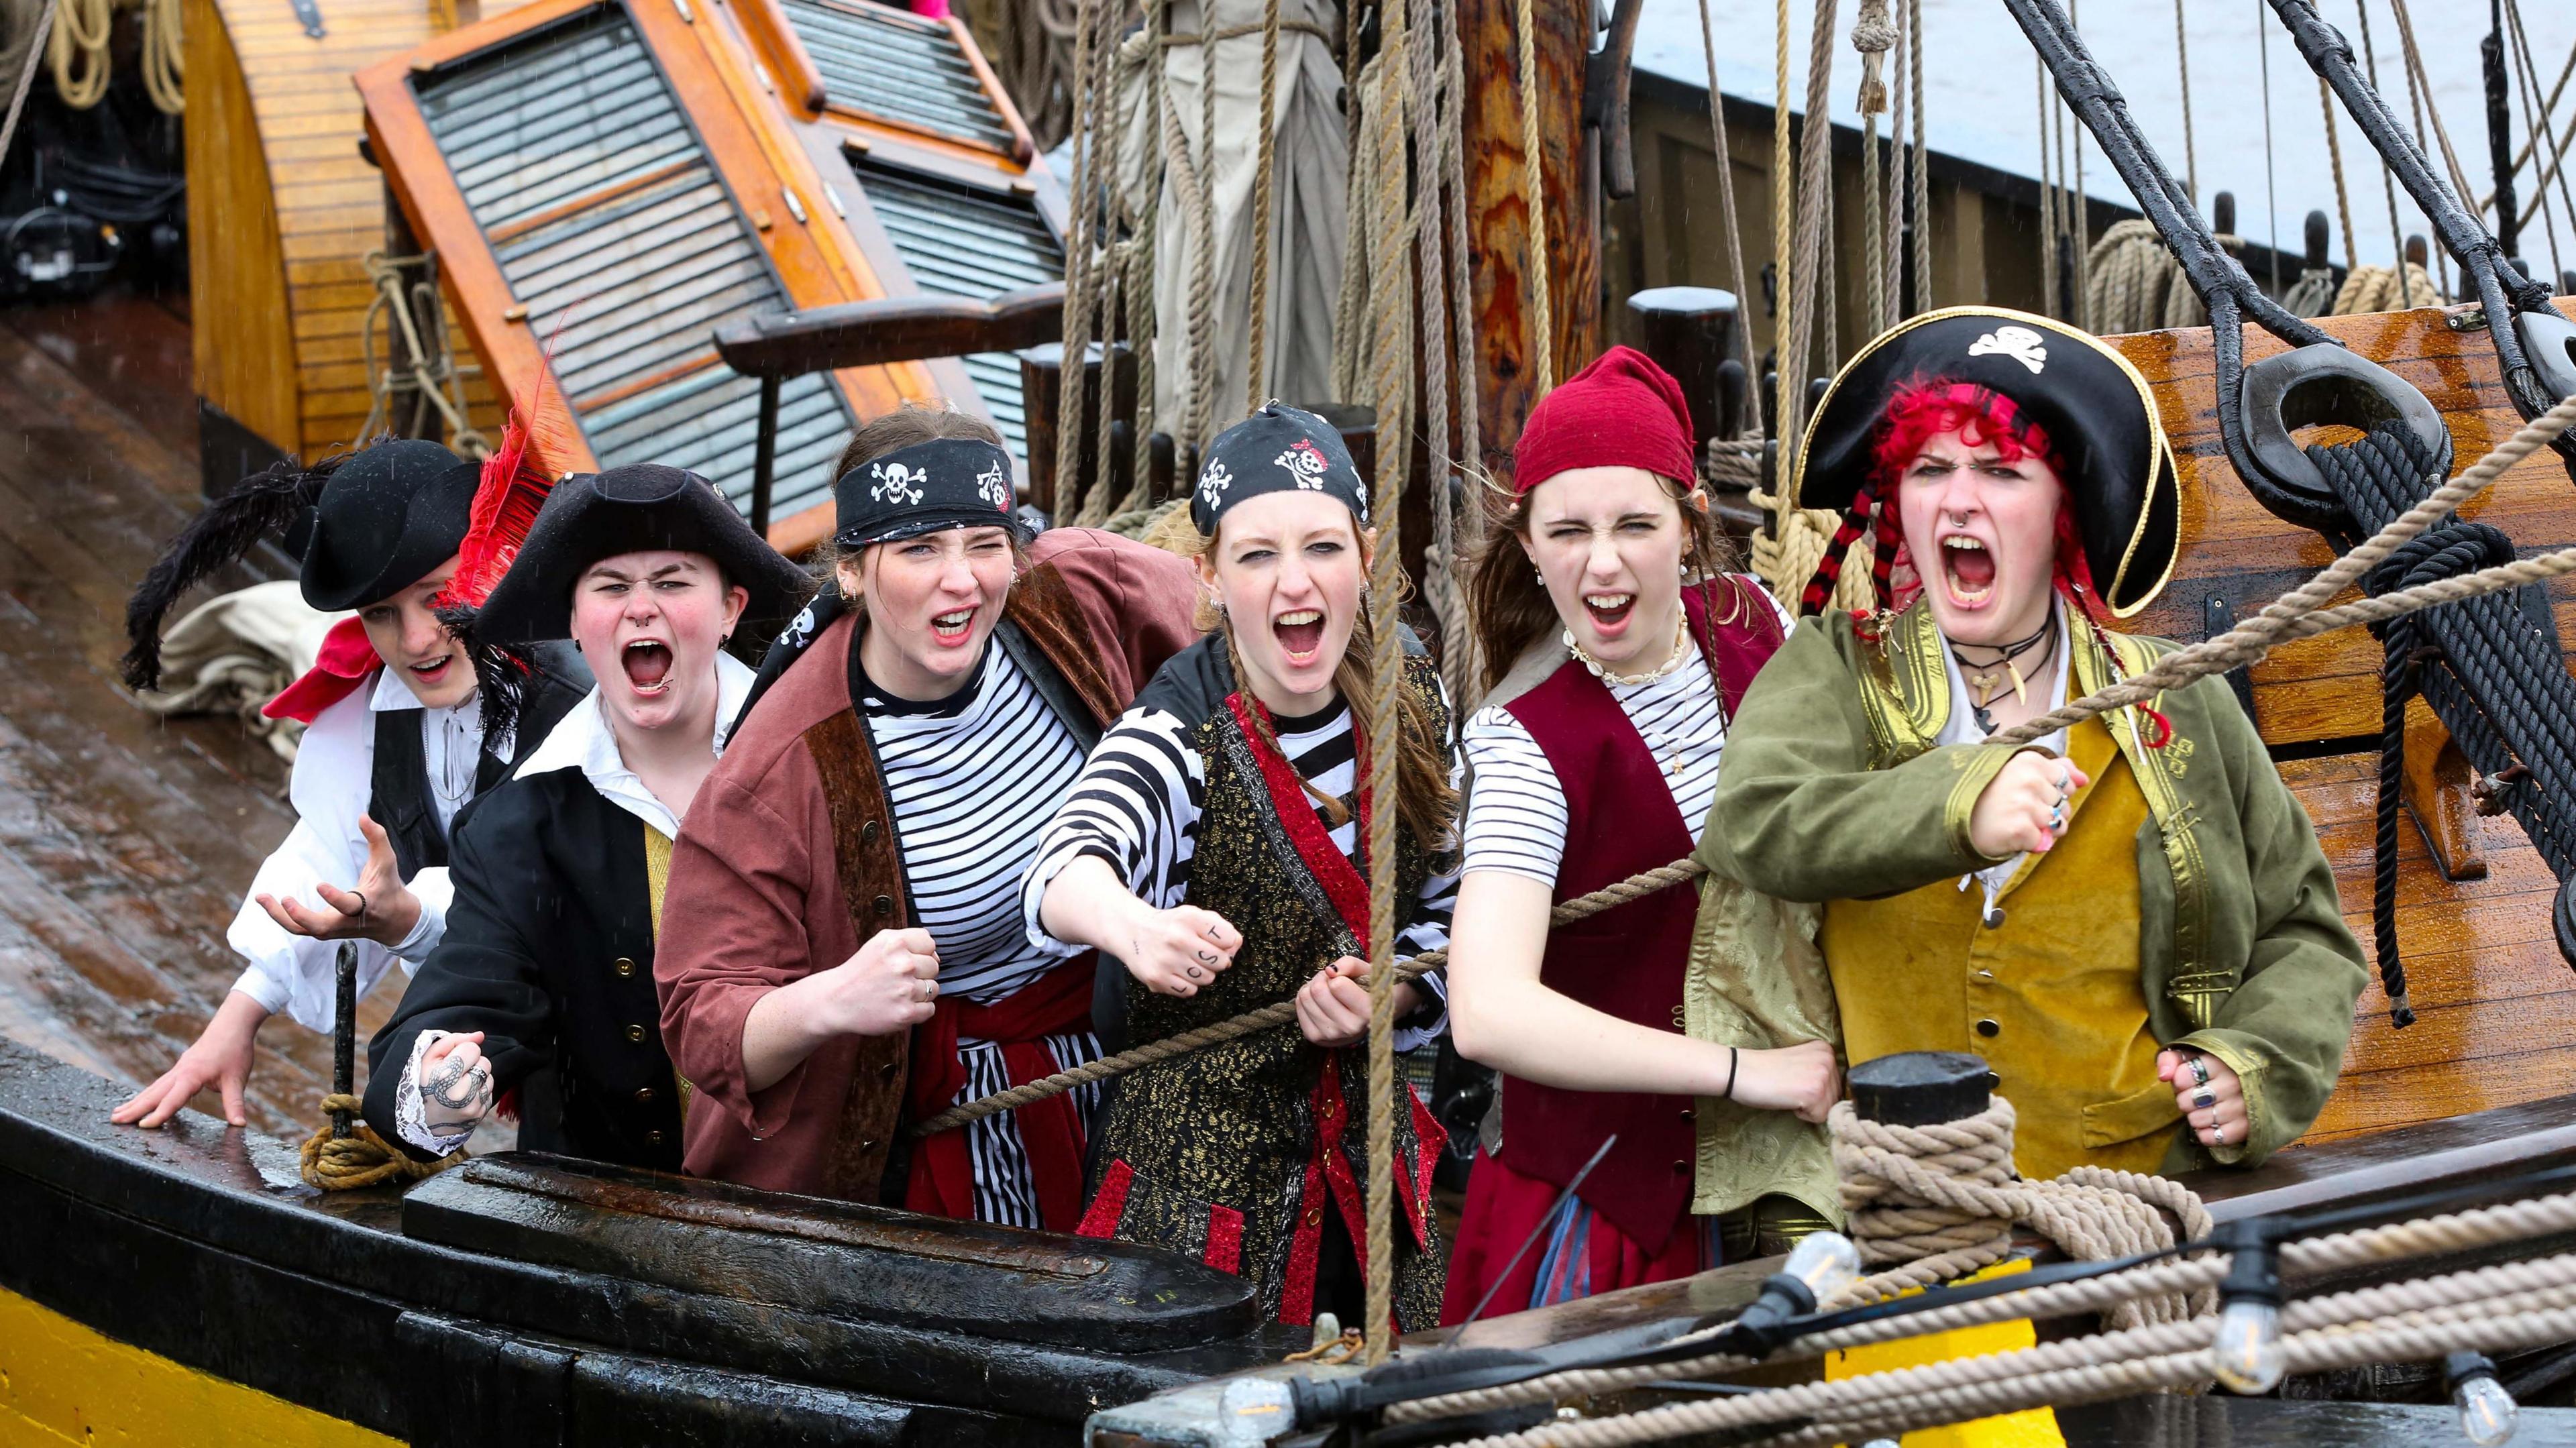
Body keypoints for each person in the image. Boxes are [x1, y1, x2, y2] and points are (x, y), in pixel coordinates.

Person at [1703, 309, 2367, 1180]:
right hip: (1898, 1211)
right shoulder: (1834, 670)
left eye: (2000, 469)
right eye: (1930, 467)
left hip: (2141, 1206)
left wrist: (2258, 1063)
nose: (1958, 496)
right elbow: (1751, 821)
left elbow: (2306, 932)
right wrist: (1958, 802)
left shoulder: (2178, 696)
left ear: (2064, 513)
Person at [655, 406, 1197, 1218]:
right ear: (852, 573)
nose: (963, 579)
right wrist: (833, 998)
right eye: (919, 548)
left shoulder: (1080, 591)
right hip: (964, 1120)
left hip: (1149, 1052)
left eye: (985, 544)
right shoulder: (776, 766)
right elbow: (702, 1017)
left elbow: (1240, 612)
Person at [1023, 404, 1458, 1332]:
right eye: (1257, 555)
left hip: (1368, 1197)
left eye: (1323, 547)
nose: (1295, 582)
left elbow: (1454, 912)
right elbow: (1067, 866)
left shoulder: (1414, 698)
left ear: (1367, 555)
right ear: (1211, 576)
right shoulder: (1179, 729)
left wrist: (1402, 996)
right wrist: (1133, 925)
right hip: (1194, 1224)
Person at [1438, 348, 1841, 1324]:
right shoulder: (1526, 747)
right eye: (1567, 529)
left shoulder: (1761, 624)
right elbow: (1485, 1012)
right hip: (1613, 1214)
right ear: (1529, 543)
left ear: (1692, 523)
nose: (1603, 561)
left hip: (1789, 1172)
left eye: (1636, 524)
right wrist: (1747, 1072)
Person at [111, 439, 586, 1129]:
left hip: (613, 1028)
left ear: (491, 564)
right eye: (380, 614)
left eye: (437, 597)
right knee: (401, 1104)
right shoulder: (375, 708)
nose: (417, 639)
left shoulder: (577, 702)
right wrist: (236, 1019)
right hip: (483, 1037)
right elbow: (333, 855)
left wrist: (405, 915)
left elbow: (533, 892)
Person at [360, 463, 811, 1167]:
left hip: (825, 1216)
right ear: (573, 621)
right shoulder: (521, 823)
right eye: (610, 586)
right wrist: (439, 1081)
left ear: (730, 609)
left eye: (672, 581)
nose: (641, 608)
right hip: (612, 1225)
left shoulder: (824, 761)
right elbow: (463, 998)